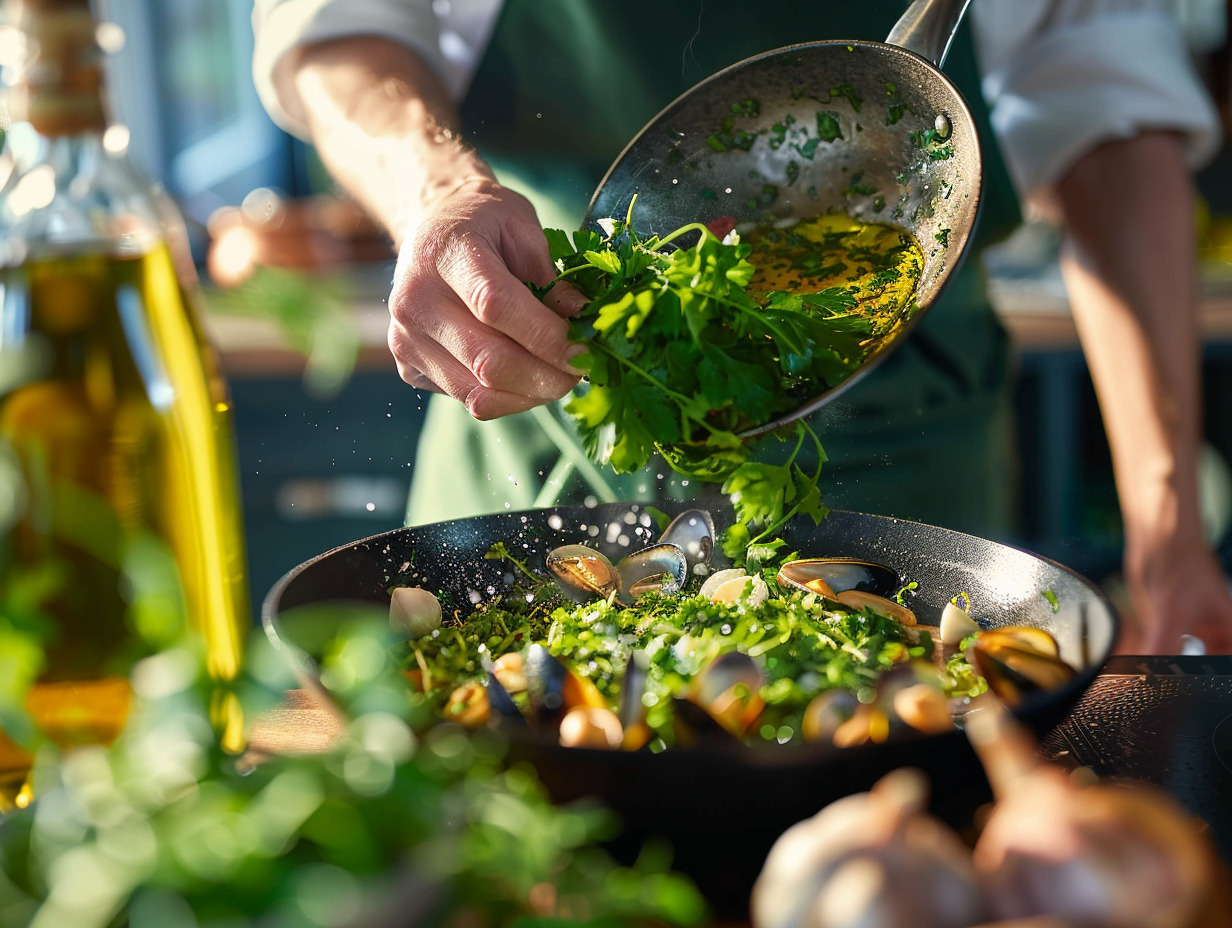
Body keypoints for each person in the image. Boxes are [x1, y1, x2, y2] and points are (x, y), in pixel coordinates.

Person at [250, 0, 1232, 654]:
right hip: (529, 397)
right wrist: (436, 190)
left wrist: (1168, 535)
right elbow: (340, 27)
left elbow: (1109, 118)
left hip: (914, 479)